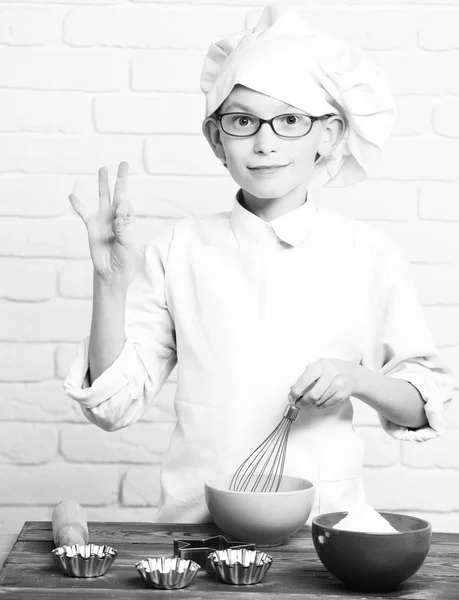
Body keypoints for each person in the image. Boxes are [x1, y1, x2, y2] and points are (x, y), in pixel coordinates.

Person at [64, 4, 453, 523]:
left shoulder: (367, 255)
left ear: (330, 134)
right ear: (216, 139)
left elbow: (423, 402)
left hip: (323, 537)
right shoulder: (179, 249)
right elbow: (113, 407)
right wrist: (108, 284)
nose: (266, 142)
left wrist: (355, 379)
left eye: (290, 120)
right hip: (200, 533)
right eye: (243, 121)